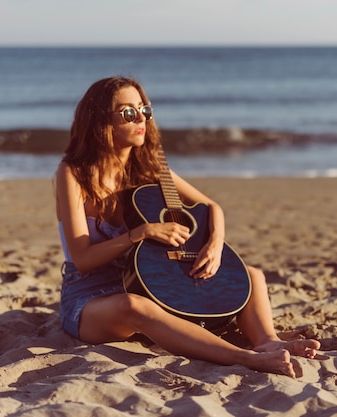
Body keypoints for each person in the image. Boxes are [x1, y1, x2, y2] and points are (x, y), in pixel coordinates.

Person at [55, 76, 321, 378]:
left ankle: (267, 342)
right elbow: (83, 258)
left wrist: (215, 243)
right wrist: (140, 233)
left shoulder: (150, 167)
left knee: (252, 275)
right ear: (101, 120)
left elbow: (210, 207)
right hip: (91, 296)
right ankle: (244, 357)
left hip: (151, 280)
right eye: (128, 112)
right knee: (133, 306)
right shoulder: (73, 173)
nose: (141, 118)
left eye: (145, 110)